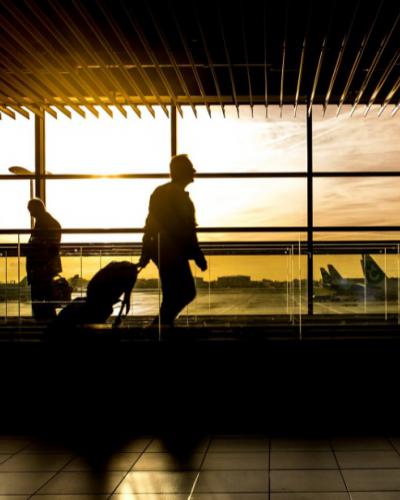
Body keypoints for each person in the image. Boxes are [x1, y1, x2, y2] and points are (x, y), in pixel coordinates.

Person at [139, 154, 207, 328]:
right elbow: (186, 230)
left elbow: (150, 224)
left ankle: (161, 327)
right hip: (172, 252)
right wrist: (197, 254)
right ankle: (160, 327)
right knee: (185, 292)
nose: (194, 171)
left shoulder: (162, 193)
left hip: (163, 250)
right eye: (190, 168)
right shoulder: (179, 197)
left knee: (173, 294)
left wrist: (146, 252)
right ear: (182, 171)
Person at [26, 198, 62, 320]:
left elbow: (47, 248)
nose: (31, 214)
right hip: (44, 269)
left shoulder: (45, 224)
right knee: (46, 303)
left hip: (41, 269)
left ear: (37, 208)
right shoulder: (50, 222)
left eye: (31, 210)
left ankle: (44, 326)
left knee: (41, 303)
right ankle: (47, 326)